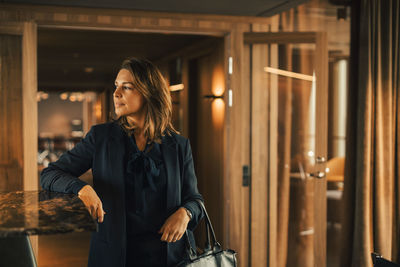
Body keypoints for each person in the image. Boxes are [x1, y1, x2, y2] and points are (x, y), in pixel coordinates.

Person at [40, 57, 204, 267]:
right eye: (116, 86)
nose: (116, 93)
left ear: (149, 92)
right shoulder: (101, 137)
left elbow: (195, 199)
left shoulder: (179, 146)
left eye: (126, 87)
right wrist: (82, 188)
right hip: (114, 256)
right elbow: (50, 174)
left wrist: (186, 213)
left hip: (169, 258)